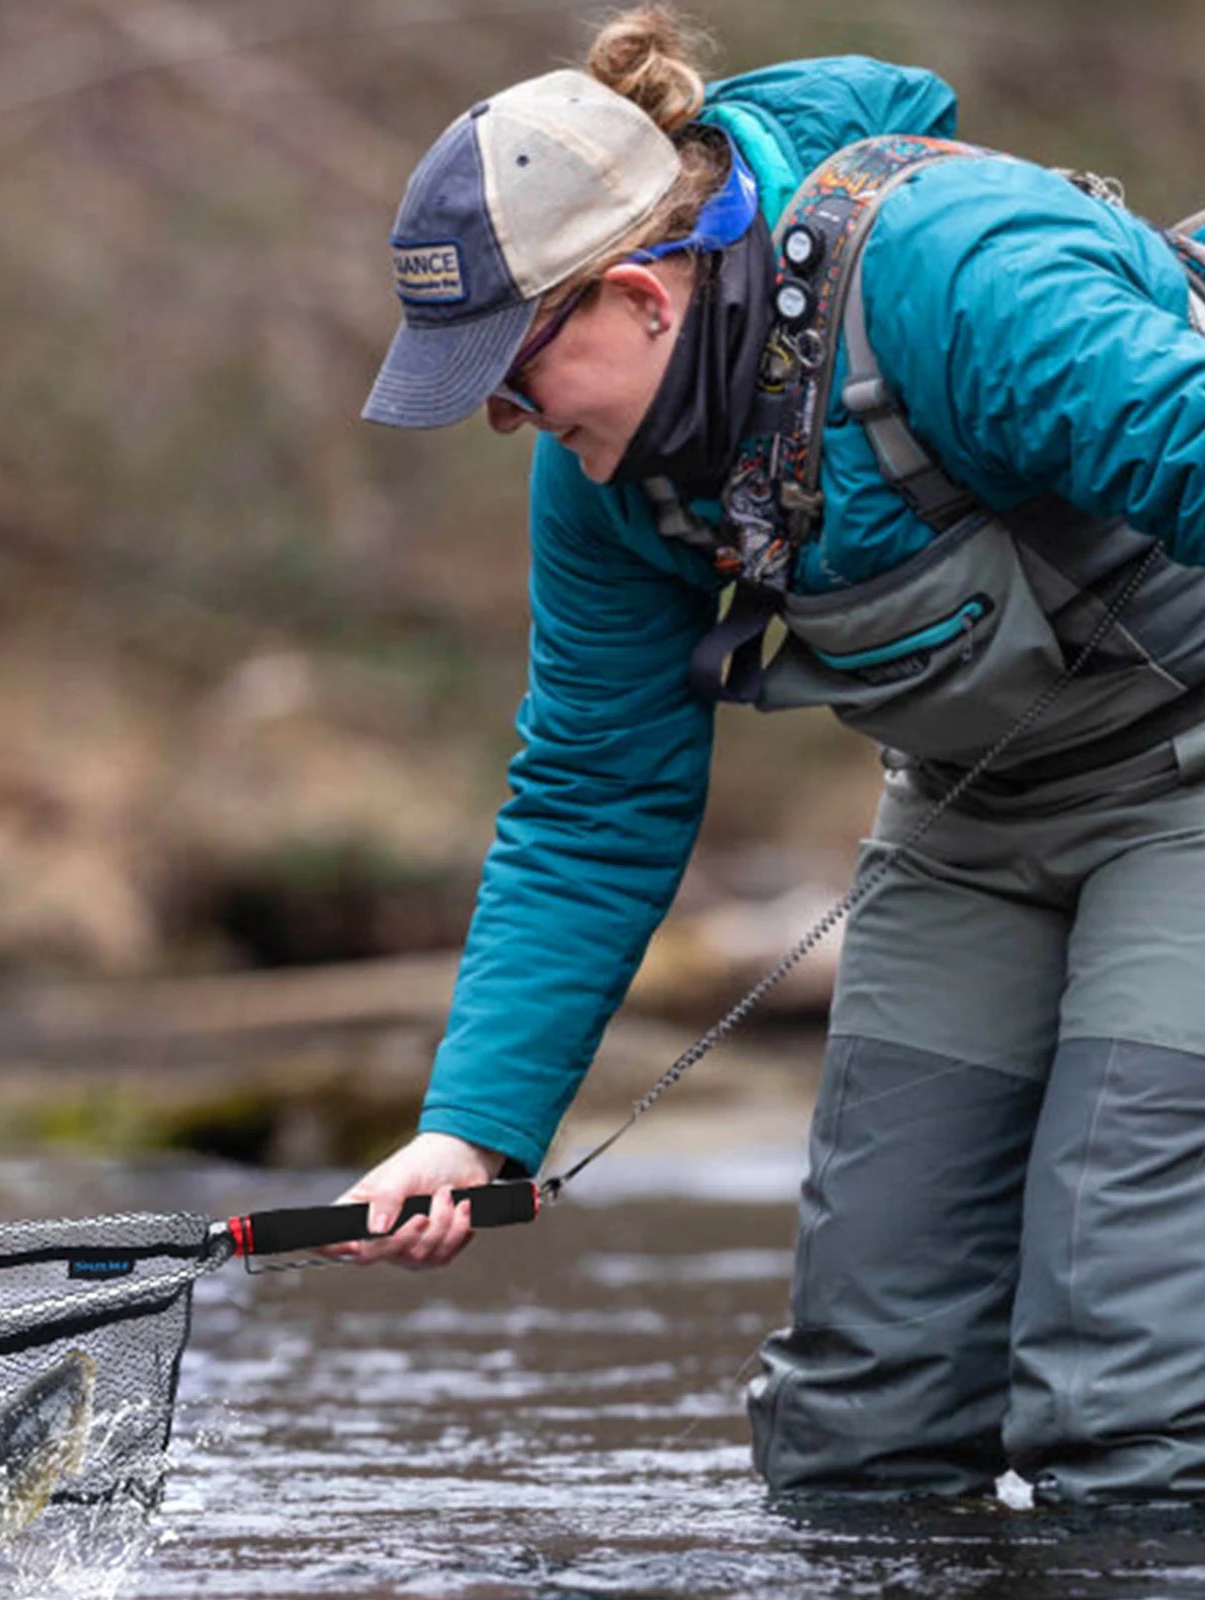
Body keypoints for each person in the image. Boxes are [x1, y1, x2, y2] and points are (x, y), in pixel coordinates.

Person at [336, 2, 1205, 1505]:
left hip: (1189, 789)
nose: (502, 419)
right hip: (966, 826)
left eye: (513, 374)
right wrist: (471, 1129)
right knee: (858, 1422)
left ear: (637, 297)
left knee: (1118, 1387)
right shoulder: (603, 481)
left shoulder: (956, 273)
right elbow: (591, 802)